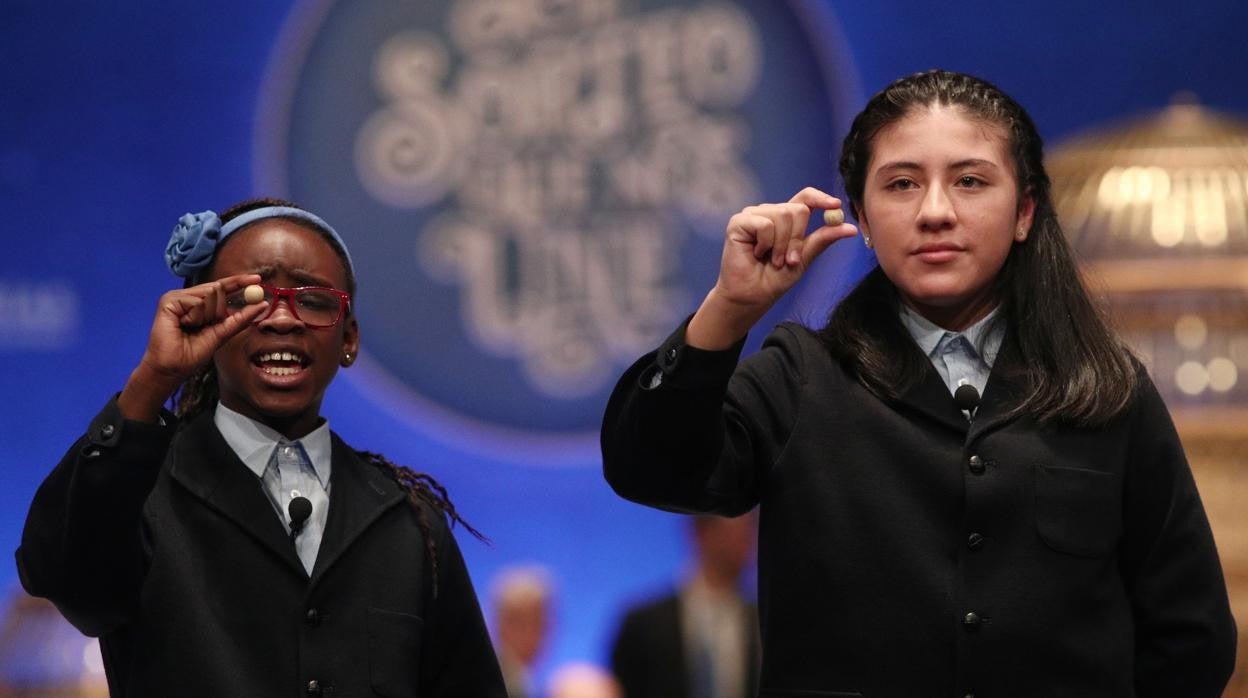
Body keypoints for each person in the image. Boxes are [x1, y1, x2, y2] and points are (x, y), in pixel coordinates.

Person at [600, 70, 1237, 696]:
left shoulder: (1106, 391)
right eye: (902, 184)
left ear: (1024, 212)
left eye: (969, 181)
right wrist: (730, 308)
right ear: (864, 220)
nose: (935, 211)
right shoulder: (800, 378)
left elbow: (1190, 638)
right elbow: (648, 468)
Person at [16, 199, 507, 696]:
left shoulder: (407, 519)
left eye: (313, 300)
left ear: (349, 339)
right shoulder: (140, 490)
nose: (281, 319)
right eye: (250, 297)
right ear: (202, 323)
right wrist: (152, 381)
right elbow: (68, 583)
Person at [610, 514, 760, 698]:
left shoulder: (764, 626)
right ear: (701, 533)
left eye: (752, 528)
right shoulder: (643, 624)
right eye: (740, 528)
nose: (749, 540)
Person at [490, 564, 554, 698]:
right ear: (499, 624)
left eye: (539, 624)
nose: (532, 636)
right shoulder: (490, 684)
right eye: (520, 624)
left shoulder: (526, 684)